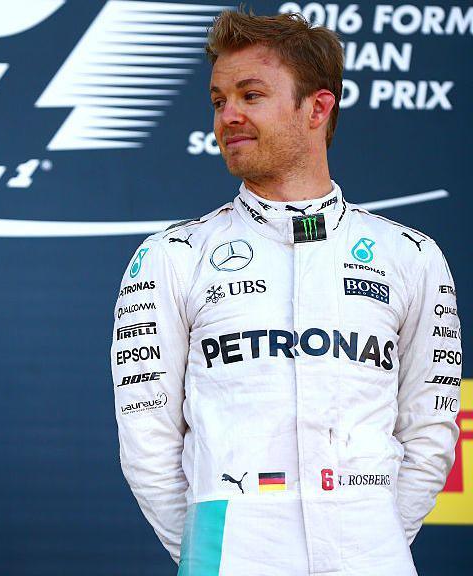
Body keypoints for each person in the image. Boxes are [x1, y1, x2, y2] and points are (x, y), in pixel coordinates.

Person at [111, 10, 461, 575]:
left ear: (318, 108)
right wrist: (215, 547)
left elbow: (431, 432)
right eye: (219, 100)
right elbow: (146, 444)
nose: (229, 116)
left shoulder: (411, 256)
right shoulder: (172, 256)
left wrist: (366, 534)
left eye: (251, 95)